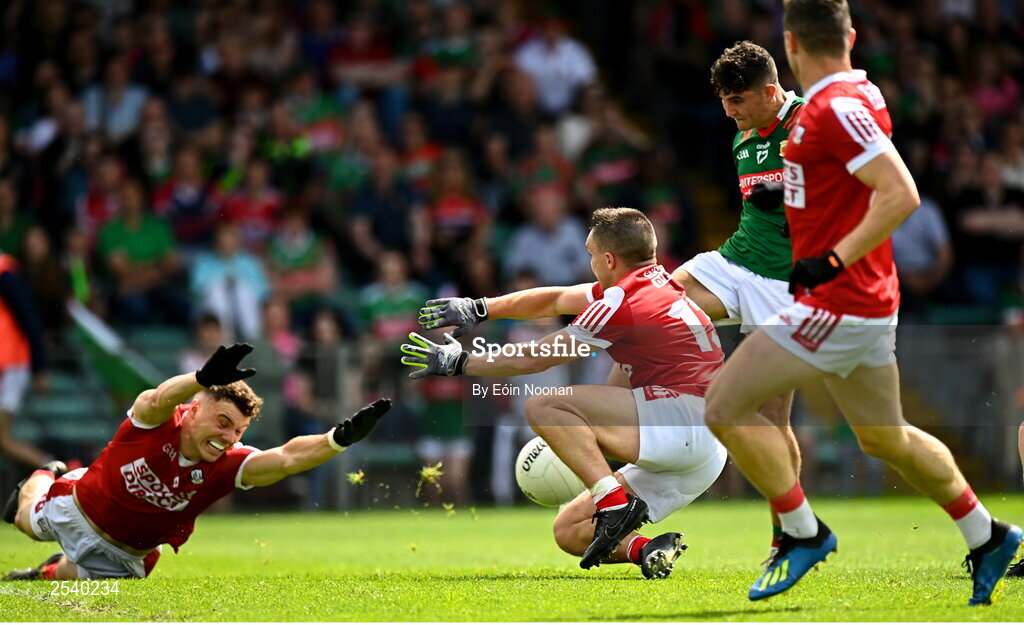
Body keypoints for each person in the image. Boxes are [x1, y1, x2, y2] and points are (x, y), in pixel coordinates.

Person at [701, 0, 1021, 605]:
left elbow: (901, 193)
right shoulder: (859, 92)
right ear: (850, 34)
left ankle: (801, 531)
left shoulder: (831, 107)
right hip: (866, 300)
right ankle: (988, 536)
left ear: (791, 45)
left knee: (724, 405)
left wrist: (830, 260)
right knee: (885, 436)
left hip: (838, 300)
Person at [406, 207, 726, 579]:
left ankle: (612, 502)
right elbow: (557, 299)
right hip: (705, 447)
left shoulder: (620, 301)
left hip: (681, 422)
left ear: (609, 259)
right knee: (569, 530)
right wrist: (480, 308)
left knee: (544, 405)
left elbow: (534, 358)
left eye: (591, 255)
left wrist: (461, 362)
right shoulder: (659, 283)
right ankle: (647, 548)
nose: (589, 263)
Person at [2, 343, 391, 580]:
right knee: (25, 522)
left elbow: (287, 458)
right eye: (223, 423)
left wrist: (337, 440)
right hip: (78, 509)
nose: (228, 438)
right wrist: (201, 377)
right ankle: (44, 473)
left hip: (124, 555)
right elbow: (157, 398)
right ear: (192, 409)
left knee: (75, 578)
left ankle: (43, 571)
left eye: (238, 431)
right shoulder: (156, 421)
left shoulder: (226, 464)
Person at [669, 41, 805, 562]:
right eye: (723, 100)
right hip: (736, 261)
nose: (728, 112)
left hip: (787, 285)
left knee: (774, 417)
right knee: (647, 305)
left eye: (738, 100)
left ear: (772, 91)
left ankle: (790, 533)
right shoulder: (744, 134)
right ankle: (619, 447)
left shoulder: (808, 127)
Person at [0, 251, 49, 469]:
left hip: (10, 365)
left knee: (2, 437)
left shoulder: (4, 273)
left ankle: (60, 470)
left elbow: (29, 318)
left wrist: (39, 367)